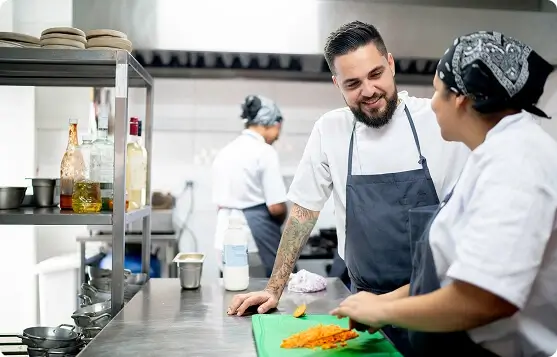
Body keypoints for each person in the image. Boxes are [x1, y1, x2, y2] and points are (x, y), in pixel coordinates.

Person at [227, 21, 469, 356]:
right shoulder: (330, 130)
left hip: (432, 304)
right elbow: (302, 212)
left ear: (391, 64)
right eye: (353, 83)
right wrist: (274, 288)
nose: (368, 90)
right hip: (363, 308)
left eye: (376, 74)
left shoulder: (437, 120)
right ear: (336, 84)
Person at [331, 31, 557, 357]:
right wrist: (382, 301)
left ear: (461, 98)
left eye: (437, 91)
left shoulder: (516, 165)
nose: (433, 103)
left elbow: (485, 300)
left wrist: (382, 312)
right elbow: (451, 275)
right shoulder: (492, 155)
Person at [212, 95, 288, 278]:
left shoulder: (225, 152)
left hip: (222, 236)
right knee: (262, 294)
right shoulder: (265, 152)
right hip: (253, 241)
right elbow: (276, 207)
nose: (277, 136)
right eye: (278, 129)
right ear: (273, 123)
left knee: (232, 292)